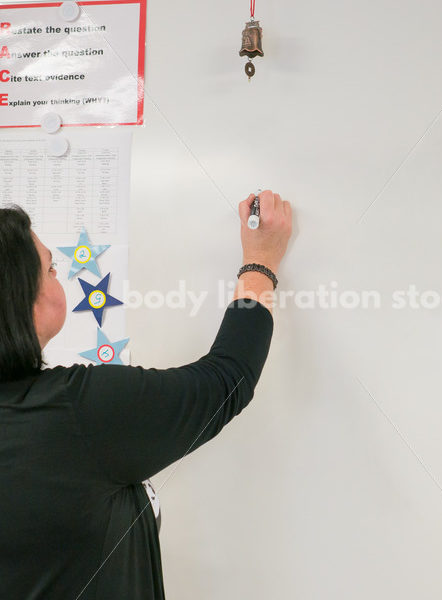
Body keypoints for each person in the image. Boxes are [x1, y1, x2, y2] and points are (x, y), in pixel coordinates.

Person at [0, 191, 292, 599]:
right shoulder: (76, 411)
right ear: (19, 302)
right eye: (50, 269)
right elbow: (227, 379)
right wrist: (261, 262)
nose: (58, 277)